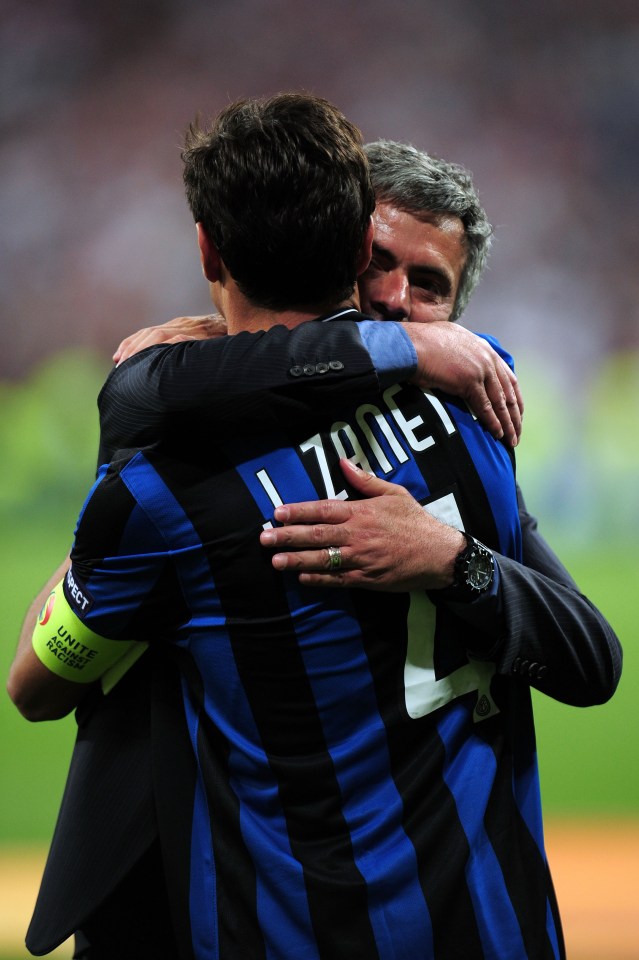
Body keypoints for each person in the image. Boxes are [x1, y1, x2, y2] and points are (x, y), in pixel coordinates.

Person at [10, 124, 621, 960]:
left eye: (429, 290)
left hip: (322, 922)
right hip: (491, 920)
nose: (397, 302)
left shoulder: (171, 480)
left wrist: (452, 558)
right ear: (338, 252)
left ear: (210, 251)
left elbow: (34, 685)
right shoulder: (467, 410)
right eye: (378, 266)